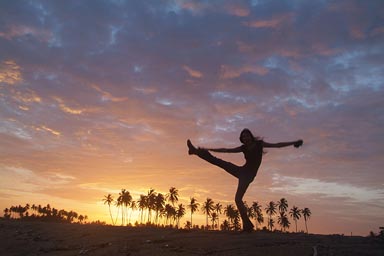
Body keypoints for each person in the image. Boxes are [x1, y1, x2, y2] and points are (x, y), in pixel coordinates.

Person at [187, 128, 303, 232]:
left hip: (248, 176)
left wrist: (293, 143)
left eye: (247, 135)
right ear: (242, 139)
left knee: (238, 199)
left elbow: (277, 145)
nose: (245, 138)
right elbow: (226, 150)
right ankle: (196, 151)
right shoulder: (243, 148)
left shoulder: (259, 144)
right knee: (220, 162)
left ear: (250, 136)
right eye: (243, 137)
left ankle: (247, 225)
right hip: (241, 171)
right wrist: (209, 149)